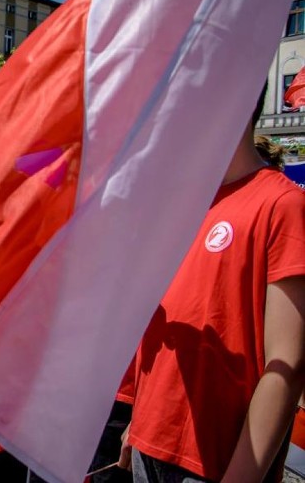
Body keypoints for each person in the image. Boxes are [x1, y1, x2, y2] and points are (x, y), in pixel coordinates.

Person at [120, 96, 305, 482]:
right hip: (147, 447)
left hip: (213, 464)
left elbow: (286, 367)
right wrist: (138, 420)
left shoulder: (283, 204)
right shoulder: (187, 205)